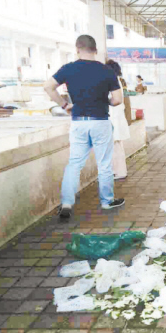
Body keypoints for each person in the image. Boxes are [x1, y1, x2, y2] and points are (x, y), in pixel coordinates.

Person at [44, 35, 125, 219]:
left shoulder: (69, 69)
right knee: (104, 164)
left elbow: (48, 86)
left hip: (79, 122)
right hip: (100, 121)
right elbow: (118, 99)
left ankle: (66, 203)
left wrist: (64, 105)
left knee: (74, 163)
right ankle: (106, 201)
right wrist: (107, 101)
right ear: (95, 50)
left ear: (77, 49)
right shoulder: (106, 71)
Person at [106, 60, 130, 180]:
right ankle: (118, 171)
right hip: (116, 117)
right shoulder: (116, 81)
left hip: (115, 118)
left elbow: (115, 100)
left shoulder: (113, 81)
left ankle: (119, 172)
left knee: (116, 147)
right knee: (116, 146)